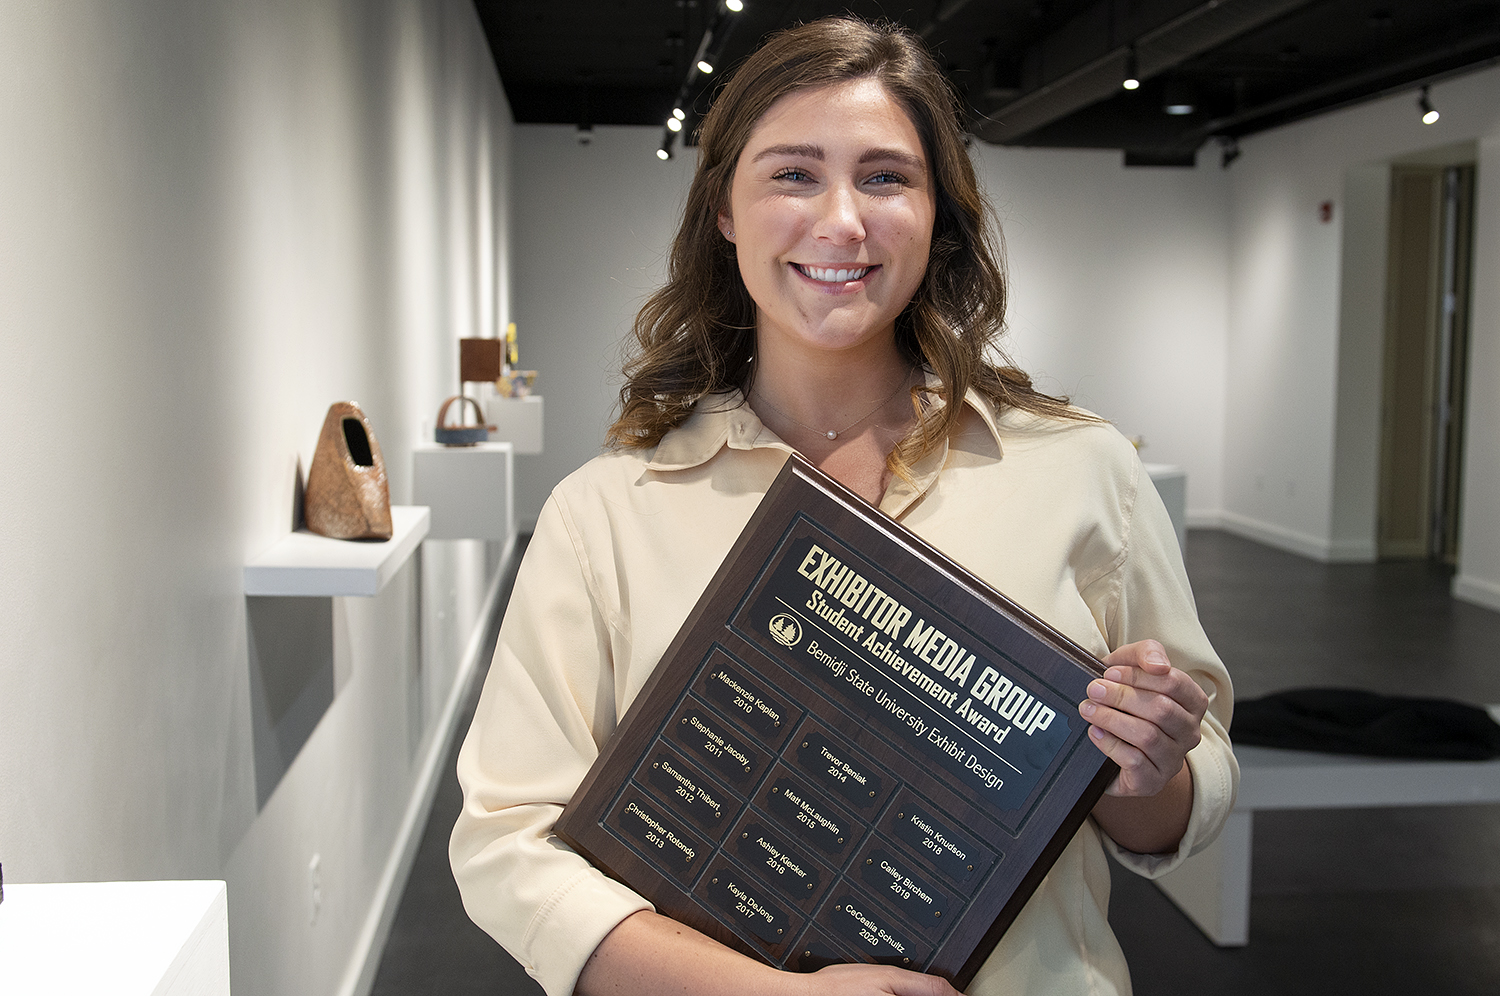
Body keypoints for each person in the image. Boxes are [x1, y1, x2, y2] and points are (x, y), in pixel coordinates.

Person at [451, 16, 1236, 996]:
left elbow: (1182, 797)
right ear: (725, 210)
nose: (841, 222)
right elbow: (507, 845)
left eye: (884, 177)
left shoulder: (1083, 469)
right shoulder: (604, 512)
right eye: (791, 174)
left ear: (938, 212)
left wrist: (1146, 768)